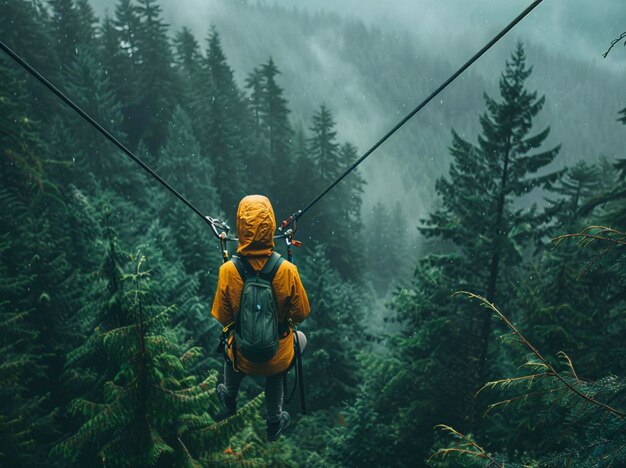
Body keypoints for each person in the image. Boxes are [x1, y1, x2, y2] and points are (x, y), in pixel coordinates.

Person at [211, 194, 310, 441]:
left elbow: (223, 317)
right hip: (275, 356)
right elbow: (301, 313)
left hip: (243, 357)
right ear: (270, 224)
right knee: (296, 342)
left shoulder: (228, 271)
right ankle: (274, 420)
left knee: (229, 340)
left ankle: (230, 395)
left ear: (241, 226)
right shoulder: (287, 270)